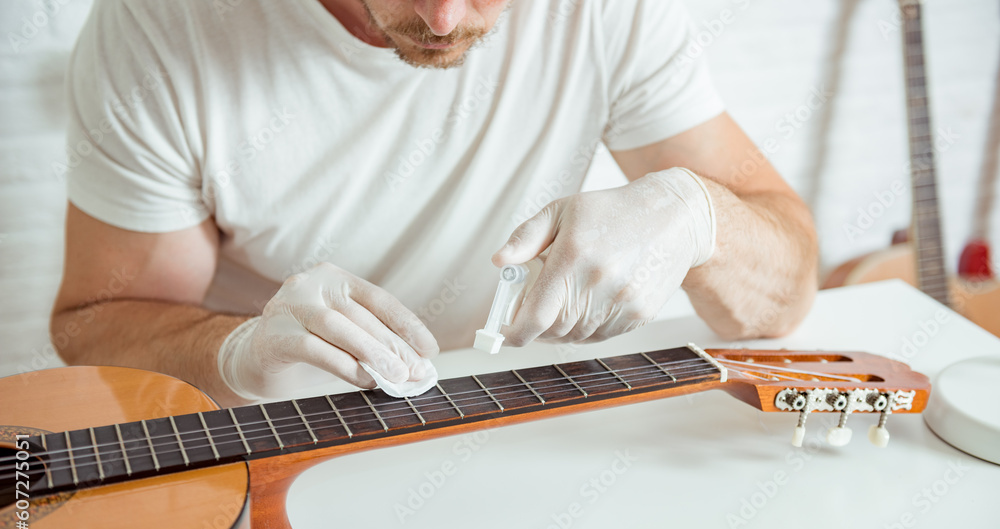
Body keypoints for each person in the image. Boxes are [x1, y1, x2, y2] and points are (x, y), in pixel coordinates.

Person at [51, 0, 817, 407]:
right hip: (273, 437)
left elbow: (784, 294)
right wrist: (236, 354)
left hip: (507, 423)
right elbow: (96, 324)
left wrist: (696, 216)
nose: (445, 20)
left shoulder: (609, 10)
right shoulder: (163, 24)